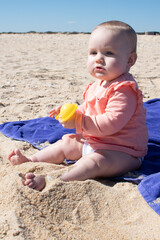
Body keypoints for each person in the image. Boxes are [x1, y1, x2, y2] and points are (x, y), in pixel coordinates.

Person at [8, 20, 148, 191]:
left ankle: (54, 179)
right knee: (66, 143)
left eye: (109, 53)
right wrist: (74, 113)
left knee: (95, 162)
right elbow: (89, 109)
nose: (99, 59)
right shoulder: (98, 84)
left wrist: (79, 122)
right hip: (95, 141)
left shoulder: (124, 90)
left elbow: (112, 122)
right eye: (93, 52)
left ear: (130, 60)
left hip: (123, 151)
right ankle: (32, 160)